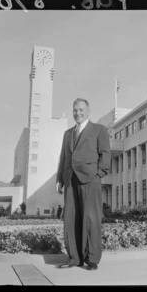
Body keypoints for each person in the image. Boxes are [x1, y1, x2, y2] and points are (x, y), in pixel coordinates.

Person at [56, 98, 111, 271]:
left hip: (90, 179)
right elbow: (64, 157)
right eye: (75, 110)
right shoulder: (67, 134)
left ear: (88, 111)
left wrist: (99, 173)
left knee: (91, 219)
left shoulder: (99, 130)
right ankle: (74, 258)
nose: (77, 113)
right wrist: (59, 178)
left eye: (80, 110)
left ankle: (92, 258)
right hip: (70, 179)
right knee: (71, 219)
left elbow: (105, 154)